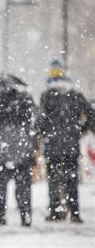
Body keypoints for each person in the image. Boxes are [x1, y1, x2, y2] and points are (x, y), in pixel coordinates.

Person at [37, 59, 93, 223]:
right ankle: (74, 212)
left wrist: (44, 133)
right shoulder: (75, 94)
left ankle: (55, 211)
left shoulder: (47, 95)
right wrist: (81, 130)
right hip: (71, 143)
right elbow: (90, 113)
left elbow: (41, 120)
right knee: (72, 179)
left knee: (53, 179)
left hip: (53, 144)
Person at [0, 84, 37, 227]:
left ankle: (0, 217)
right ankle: (25, 216)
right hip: (22, 149)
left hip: (3, 150)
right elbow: (33, 124)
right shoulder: (25, 103)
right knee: (23, 188)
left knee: (1, 186)